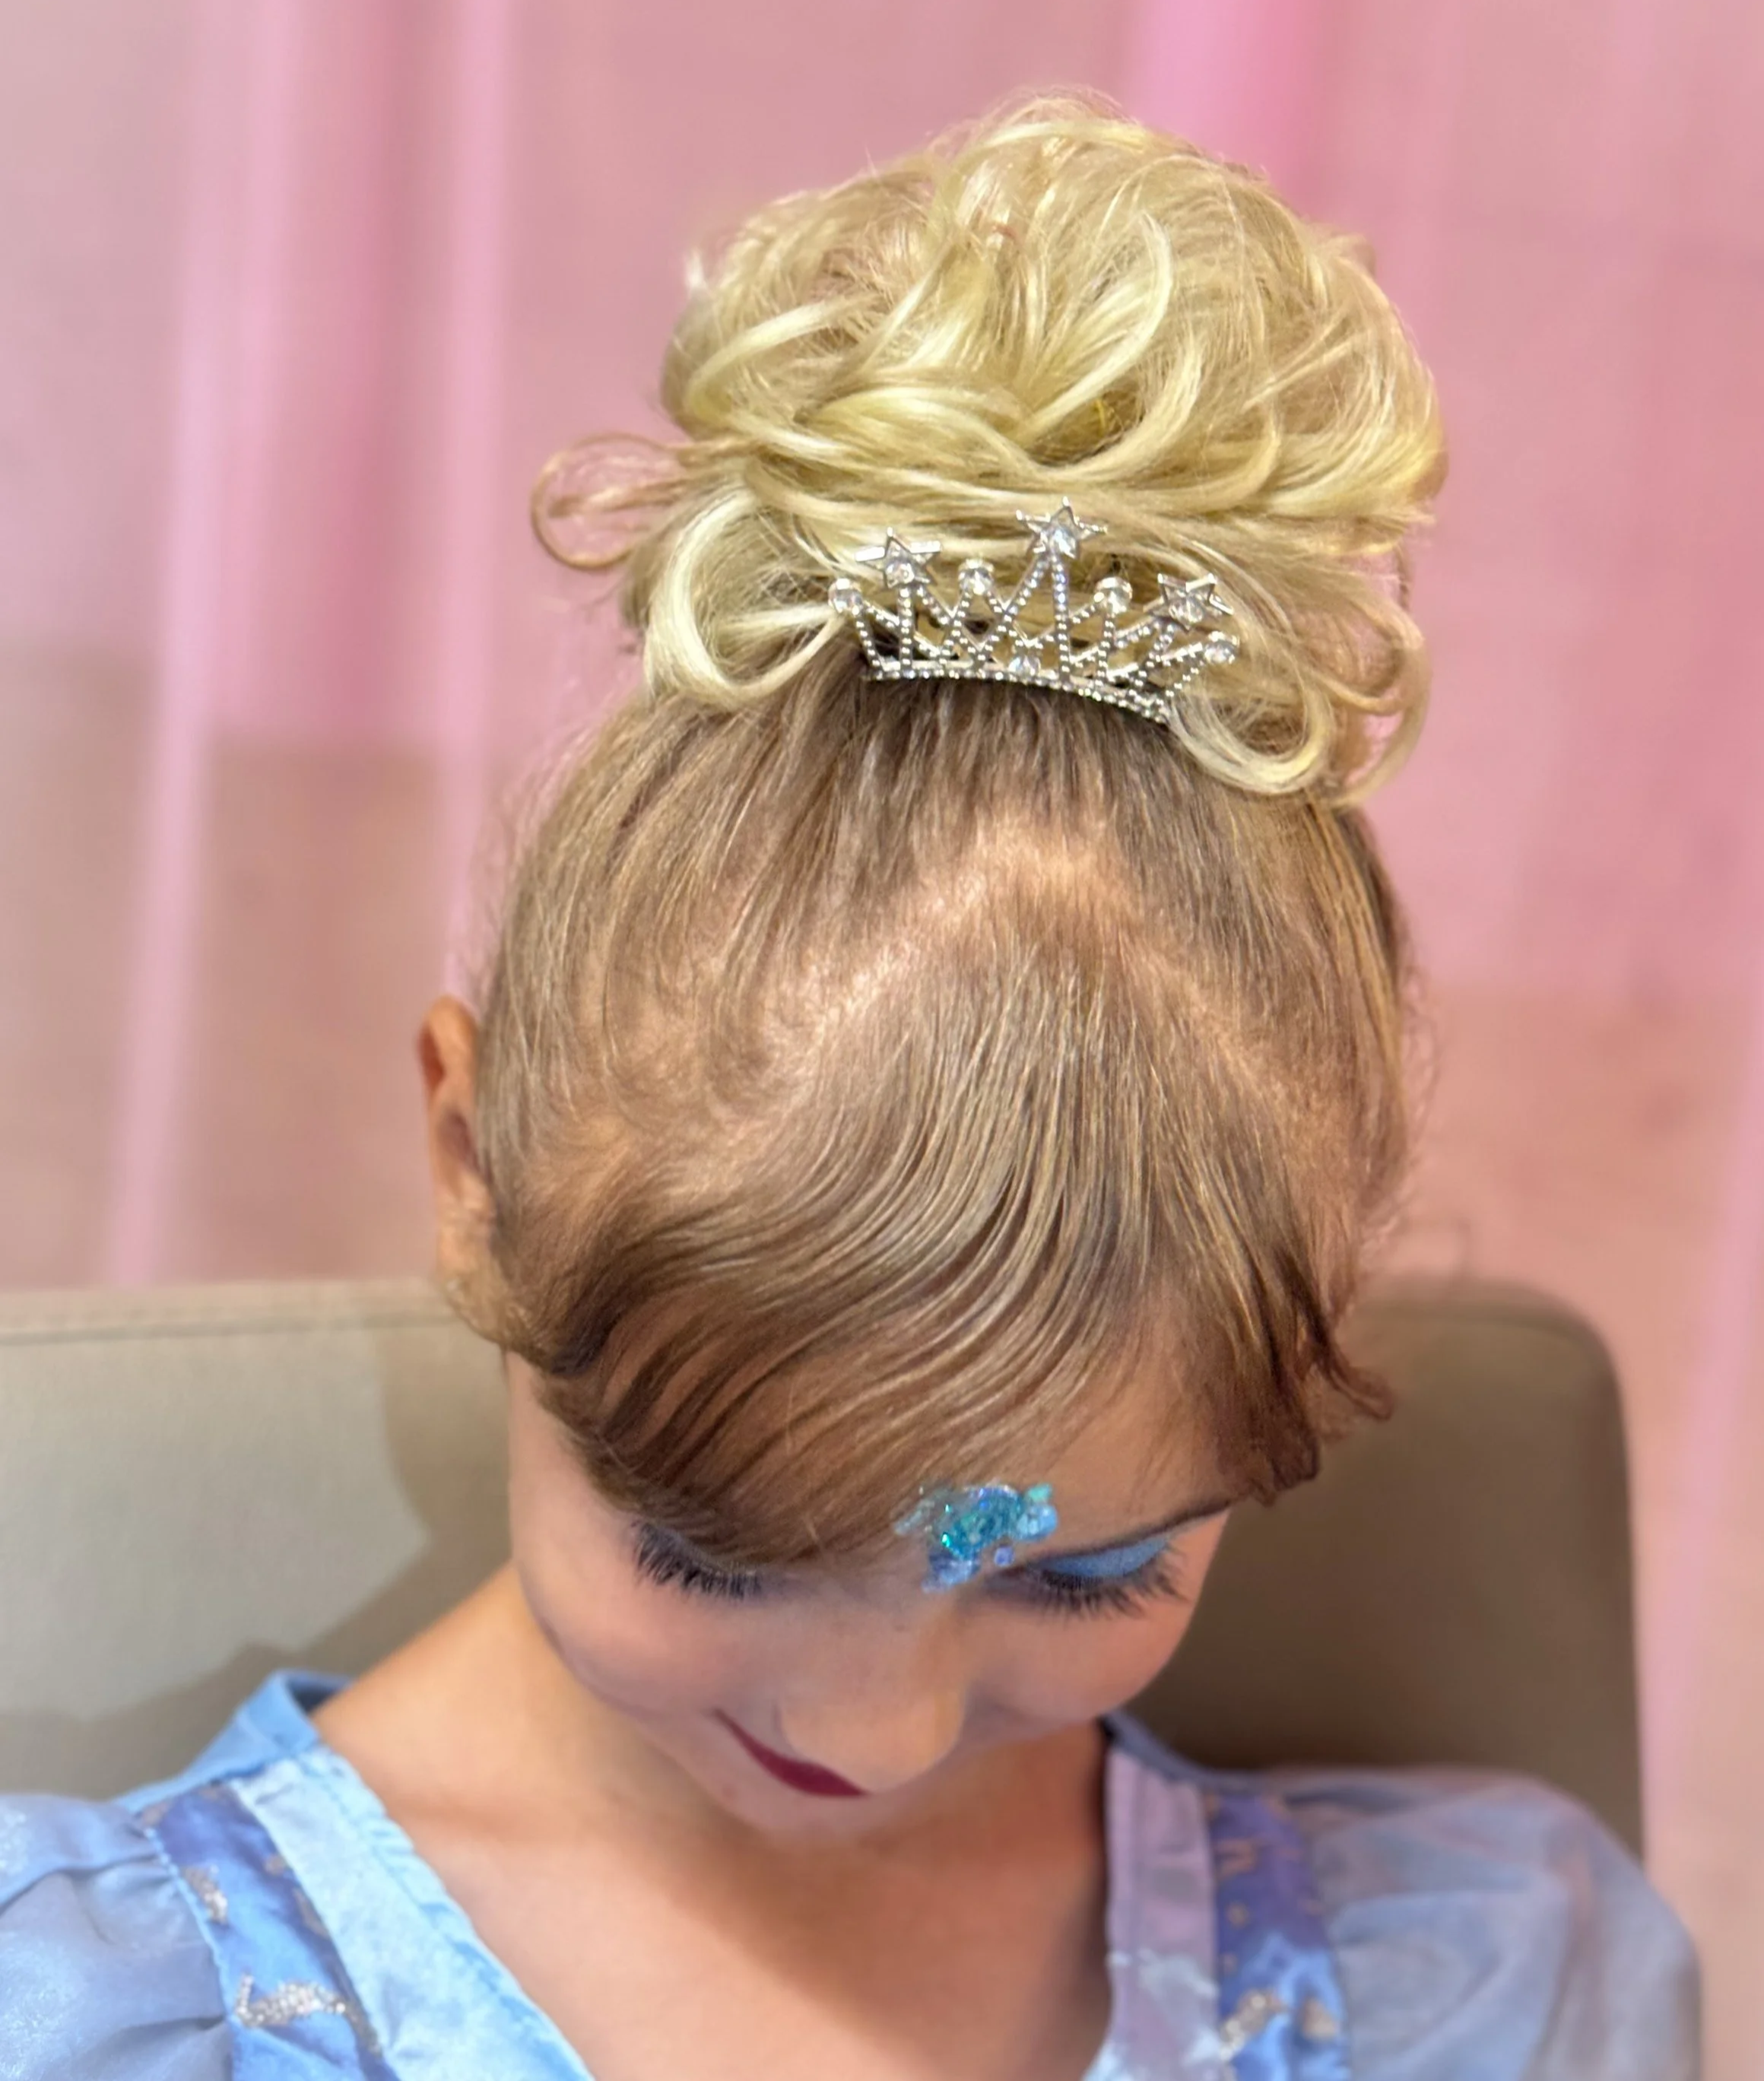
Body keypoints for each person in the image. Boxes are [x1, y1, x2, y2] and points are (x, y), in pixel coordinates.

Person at [0, 97, 1698, 2079]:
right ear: (471, 1160)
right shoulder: (108, 2025)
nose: (866, 1733)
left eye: (1080, 1573)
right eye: (718, 1550)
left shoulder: (1481, 1992)